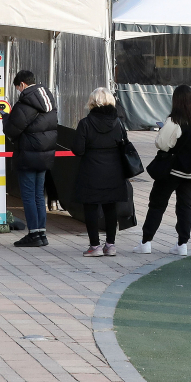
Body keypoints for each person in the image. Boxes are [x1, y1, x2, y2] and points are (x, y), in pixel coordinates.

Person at [134, 85, 191, 256]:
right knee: (185, 206)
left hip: (172, 169)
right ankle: (182, 244)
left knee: (157, 204)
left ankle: (146, 242)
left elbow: (162, 143)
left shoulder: (175, 119)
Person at [73, 87, 132, 257]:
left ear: (92, 102)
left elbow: (78, 149)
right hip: (114, 171)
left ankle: (94, 246)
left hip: (91, 170)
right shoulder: (118, 123)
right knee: (110, 207)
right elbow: (124, 144)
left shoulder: (85, 123)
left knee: (90, 208)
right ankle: (110, 245)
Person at [3, 70, 59, 248]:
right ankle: (41, 233)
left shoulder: (24, 103)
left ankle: (33, 234)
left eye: (18, 88)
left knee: (28, 196)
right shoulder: (49, 100)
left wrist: (5, 118)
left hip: (27, 155)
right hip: (44, 156)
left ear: (22, 85)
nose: (19, 91)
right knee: (38, 196)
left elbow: (12, 130)